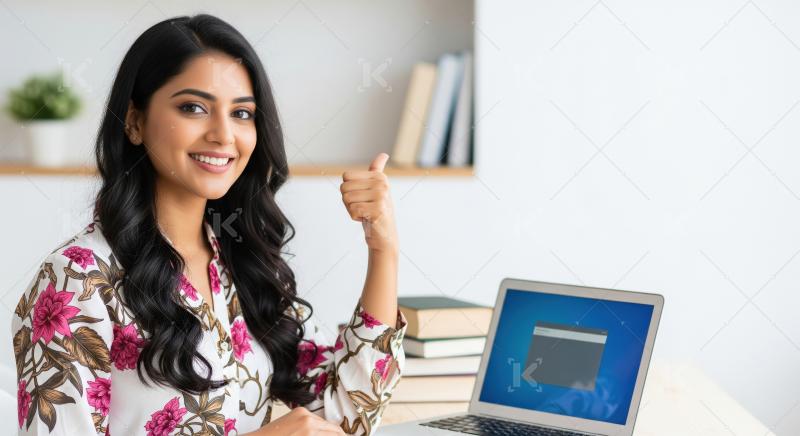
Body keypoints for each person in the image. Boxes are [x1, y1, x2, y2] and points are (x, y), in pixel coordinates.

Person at [11, 14, 405, 436]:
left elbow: (347, 414)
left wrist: (383, 248)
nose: (223, 134)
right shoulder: (76, 279)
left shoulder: (242, 262)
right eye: (193, 107)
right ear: (134, 121)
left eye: (242, 113)